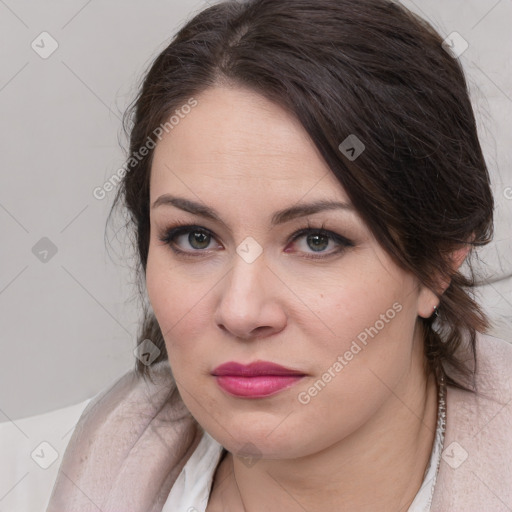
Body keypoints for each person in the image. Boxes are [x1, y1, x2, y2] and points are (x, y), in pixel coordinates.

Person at [47, 0, 512, 510]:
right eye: (195, 237)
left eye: (317, 240)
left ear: (440, 263)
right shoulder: (28, 480)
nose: (242, 312)